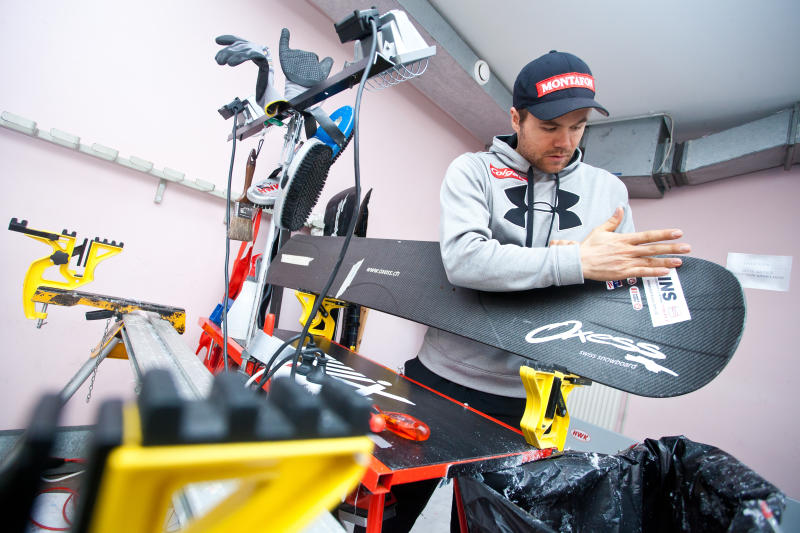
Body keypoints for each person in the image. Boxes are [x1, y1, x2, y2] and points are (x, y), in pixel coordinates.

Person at [380, 50, 692, 532]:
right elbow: (465, 260)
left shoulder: (609, 193)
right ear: (516, 118)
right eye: (549, 127)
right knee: (390, 517)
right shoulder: (472, 171)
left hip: (531, 403)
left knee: (487, 525)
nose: (565, 141)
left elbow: (614, 291)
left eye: (578, 126)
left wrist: (606, 275)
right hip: (439, 380)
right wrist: (573, 261)